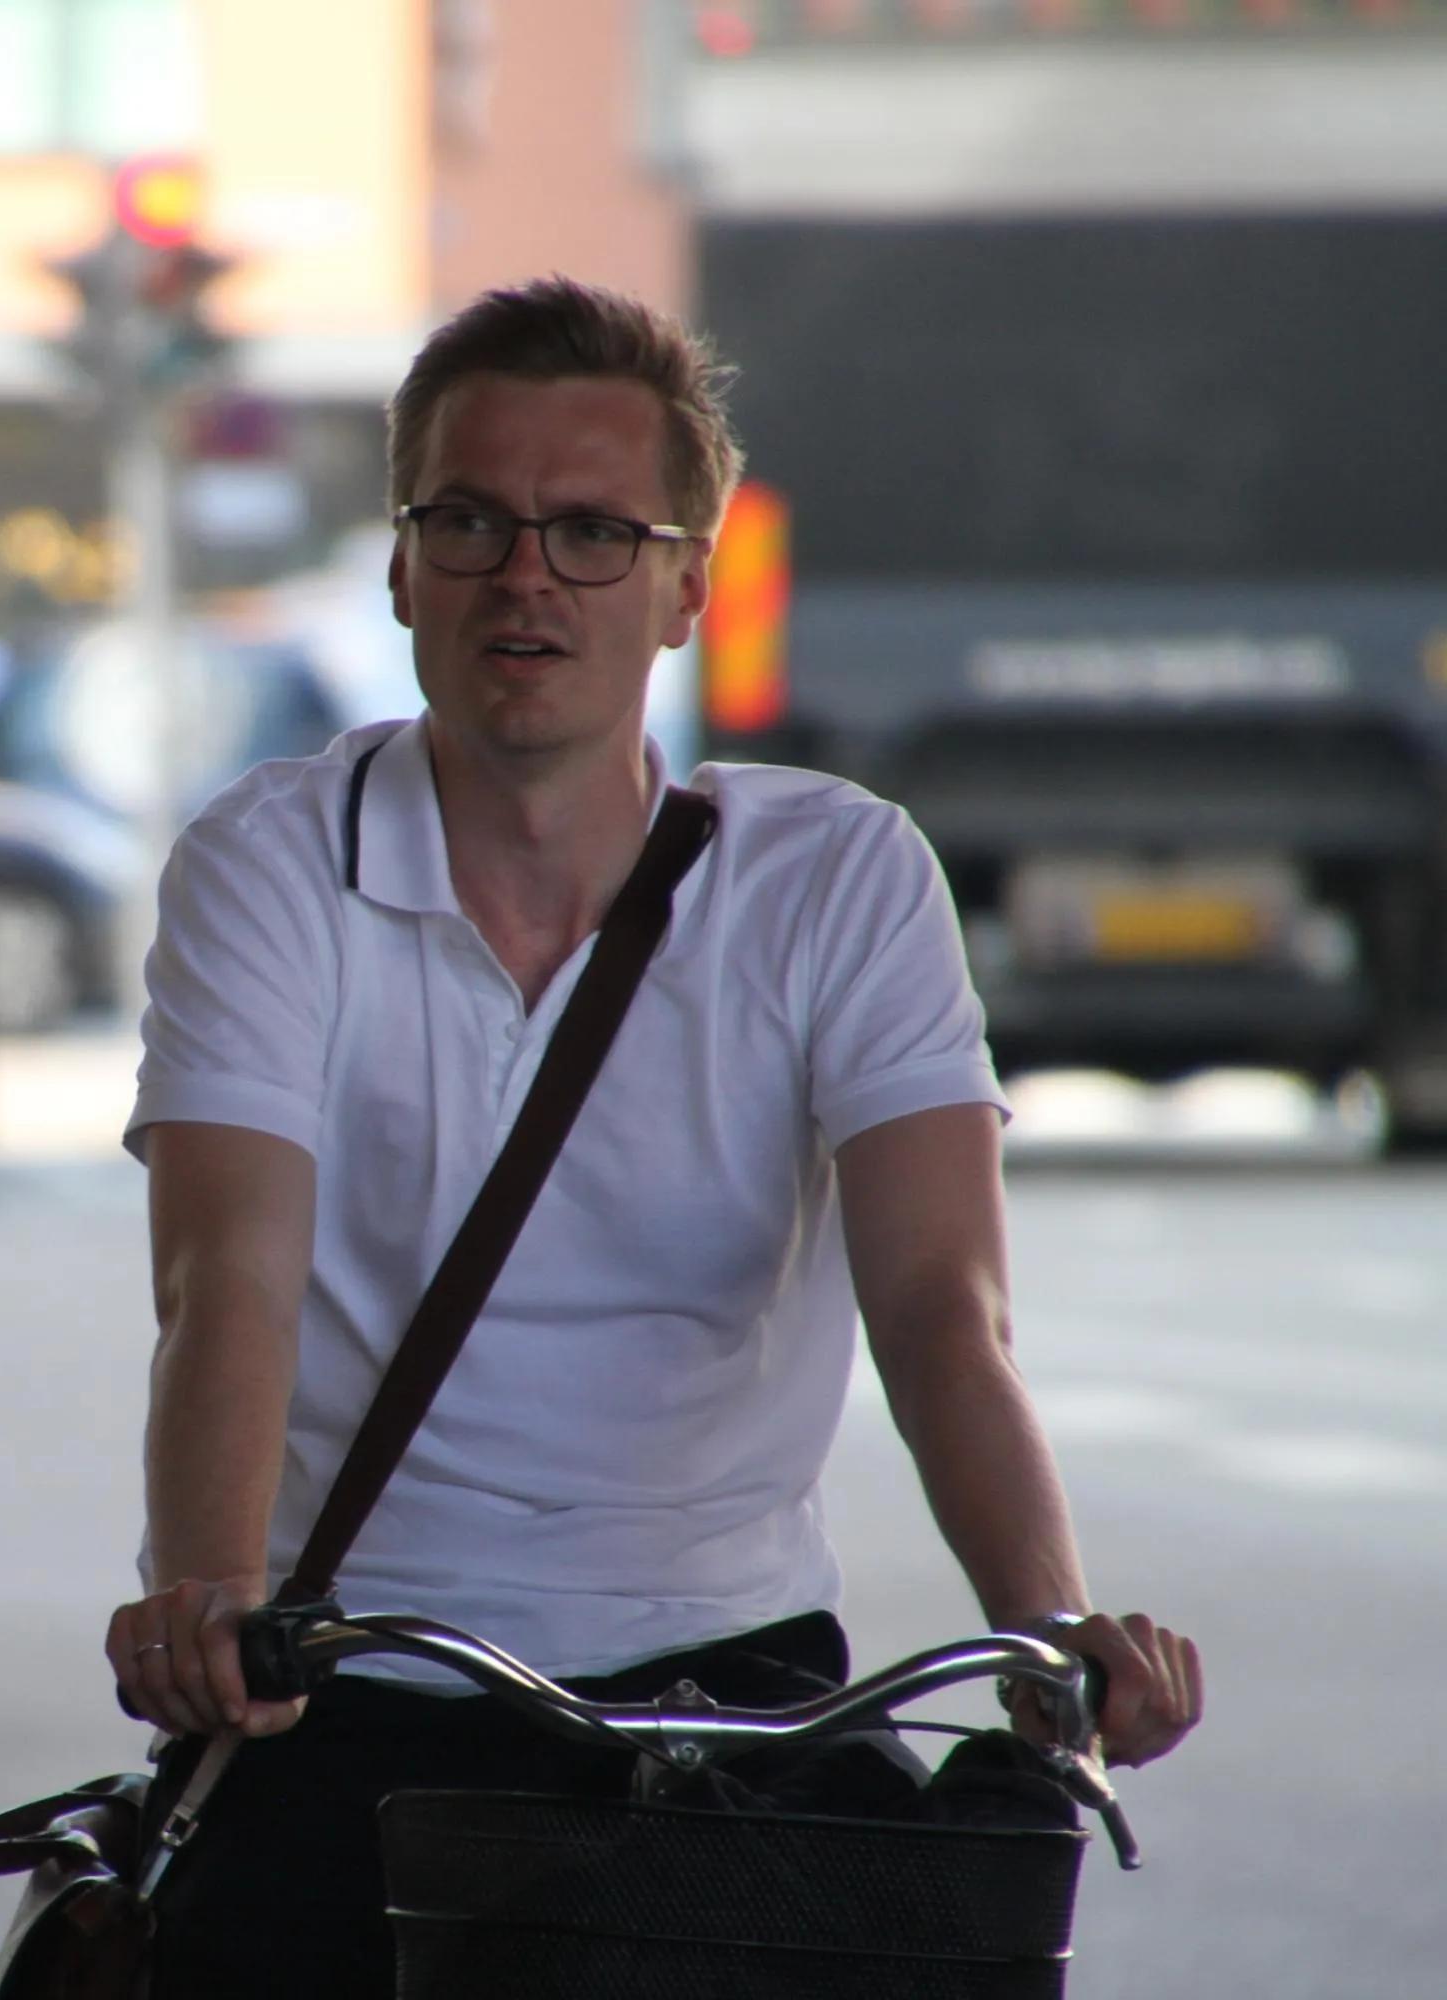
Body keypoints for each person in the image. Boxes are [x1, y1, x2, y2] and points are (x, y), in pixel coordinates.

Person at [99, 278, 1202, 1994]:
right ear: (401, 566)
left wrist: (1048, 1627)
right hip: (357, 1673)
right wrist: (210, 1594)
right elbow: (228, 1275)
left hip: (737, 1683)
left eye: (597, 533)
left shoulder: (838, 877)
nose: (526, 576)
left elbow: (941, 1308)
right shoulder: (273, 864)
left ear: (688, 586)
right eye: (469, 521)